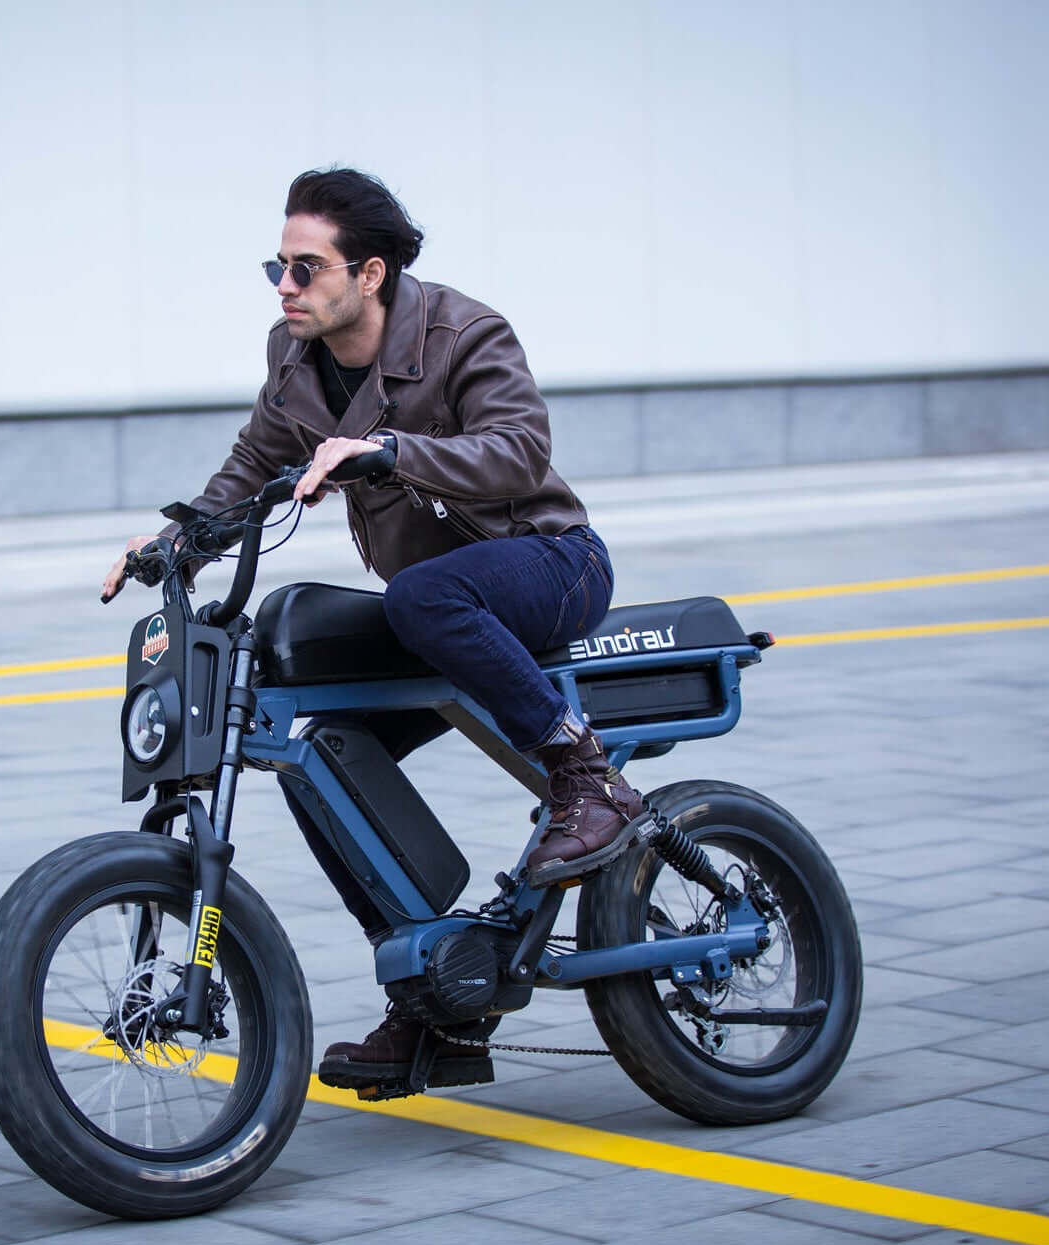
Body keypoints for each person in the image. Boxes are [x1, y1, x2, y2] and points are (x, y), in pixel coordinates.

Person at [103, 167, 644, 1092]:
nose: (284, 285)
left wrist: (390, 451)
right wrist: (174, 541)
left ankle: (584, 775)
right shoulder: (294, 355)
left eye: (305, 267)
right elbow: (249, 468)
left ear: (372, 273)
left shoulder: (463, 331)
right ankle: (439, 998)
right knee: (321, 752)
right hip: (436, 599)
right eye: (277, 265)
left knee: (420, 597)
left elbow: (519, 450)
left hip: (547, 562)